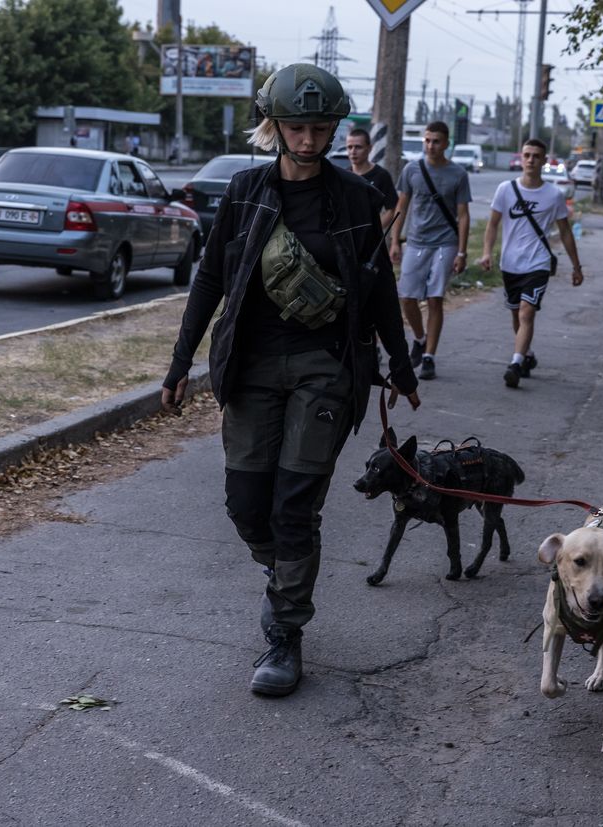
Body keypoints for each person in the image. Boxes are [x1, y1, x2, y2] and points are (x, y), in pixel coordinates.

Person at [160, 64, 420, 698]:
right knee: (248, 507)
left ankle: (284, 634)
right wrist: (179, 362)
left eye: (321, 127)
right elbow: (211, 282)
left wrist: (402, 363)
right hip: (251, 365)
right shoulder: (246, 192)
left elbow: (378, 285)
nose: (309, 140)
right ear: (273, 127)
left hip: (325, 368)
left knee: (295, 504)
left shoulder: (358, 198)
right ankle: (285, 573)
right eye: (297, 127)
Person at [478, 139, 585, 388]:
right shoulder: (505, 189)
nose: (530, 160)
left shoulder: (553, 195)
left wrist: (577, 267)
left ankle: (515, 363)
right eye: (527, 155)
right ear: (521, 157)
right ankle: (526, 354)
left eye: (536, 156)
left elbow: (566, 232)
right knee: (517, 313)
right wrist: (486, 253)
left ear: (544, 161)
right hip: (510, 263)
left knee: (527, 311)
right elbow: (492, 224)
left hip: (538, 263)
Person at [388, 121, 471, 380]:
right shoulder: (412, 170)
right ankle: (420, 338)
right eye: (427, 140)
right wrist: (394, 241)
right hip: (415, 241)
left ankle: (429, 357)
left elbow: (464, 215)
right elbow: (401, 206)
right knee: (406, 297)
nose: (431, 145)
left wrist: (462, 252)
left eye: (436, 141)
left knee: (435, 298)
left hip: (445, 243)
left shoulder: (458, 174)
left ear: (446, 144)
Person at [345, 128, 397, 230]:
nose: (353, 151)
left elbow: (391, 209)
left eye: (358, 147)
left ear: (369, 148)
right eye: (349, 147)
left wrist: (374, 231)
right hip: (346, 237)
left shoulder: (381, 175)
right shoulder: (343, 176)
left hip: (369, 239)